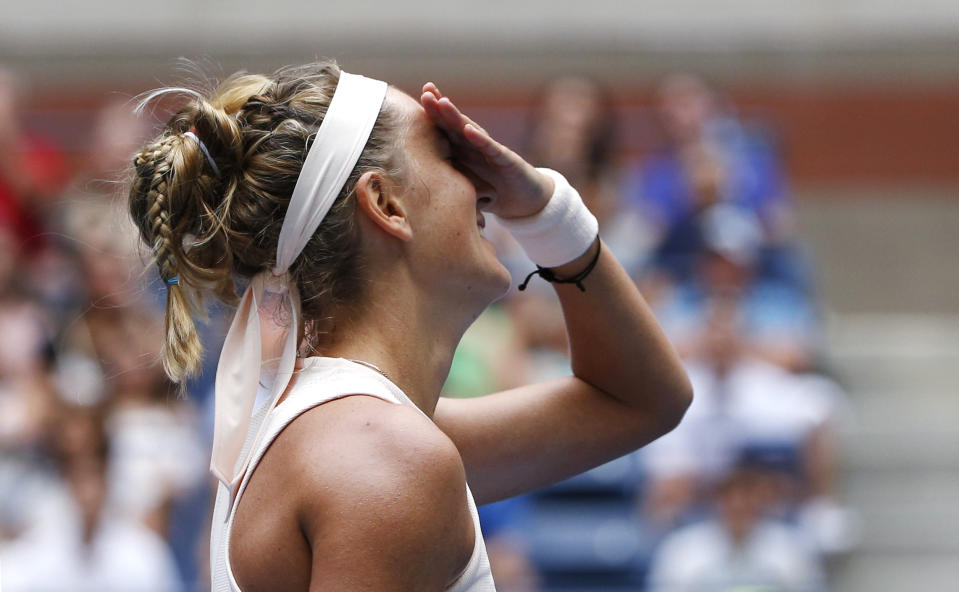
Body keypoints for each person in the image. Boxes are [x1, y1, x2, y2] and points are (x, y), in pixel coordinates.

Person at [126, 62, 692, 591]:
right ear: (386, 204)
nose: (484, 180)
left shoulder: (361, 434)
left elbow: (643, 400)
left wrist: (550, 211)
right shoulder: (384, 457)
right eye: (450, 153)